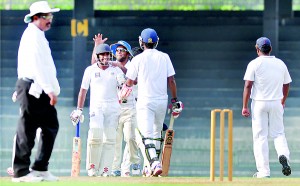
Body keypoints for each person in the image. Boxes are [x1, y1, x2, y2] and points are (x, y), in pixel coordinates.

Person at [119, 28, 183, 177]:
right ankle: (149, 168)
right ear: (157, 41)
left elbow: (129, 81)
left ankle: (154, 162)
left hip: (145, 101)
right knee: (156, 134)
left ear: (141, 42)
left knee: (143, 134)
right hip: (162, 100)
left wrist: (125, 90)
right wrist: (174, 99)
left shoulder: (138, 59)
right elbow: (171, 80)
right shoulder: (164, 57)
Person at [12, 1, 60, 182]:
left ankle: (40, 167)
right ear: (35, 18)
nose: (50, 20)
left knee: (50, 126)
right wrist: (50, 90)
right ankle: (21, 171)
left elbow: (44, 66)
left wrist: (51, 88)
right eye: (46, 17)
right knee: (27, 130)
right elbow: (36, 65)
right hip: (33, 87)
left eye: (50, 16)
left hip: (37, 89)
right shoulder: (32, 36)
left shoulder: (38, 35)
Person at [70, 43, 123, 177]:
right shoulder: (90, 70)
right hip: (96, 106)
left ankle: (106, 169)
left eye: (107, 54)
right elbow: (83, 90)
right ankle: (92, 167)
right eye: (102, 55)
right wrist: (79, 109)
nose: (105, 57)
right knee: (95, 136)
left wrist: (124, 88)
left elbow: (123, 84)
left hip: (113, 108)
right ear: (97, 56)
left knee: (110, 139)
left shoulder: (115, 70)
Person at [242, 37, 292, 178]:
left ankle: (264, 172)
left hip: (259, 103)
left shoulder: (254, 64)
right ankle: (283, 155)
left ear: (258, 49)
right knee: (278, 133)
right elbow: (287, 84)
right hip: (276, 102)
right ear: (270, 49)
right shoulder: (280, 64)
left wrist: (244, 106)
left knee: (260, 137)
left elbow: (248, 85)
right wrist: (283, 100)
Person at [109, 41, 141, 177]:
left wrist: (120, 67)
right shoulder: (112, 67)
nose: (119, 52)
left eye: (122, 50)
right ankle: (115, 168)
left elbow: (135, 80)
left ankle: (131, 163)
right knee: (116, 141)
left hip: (130, 107)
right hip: (116, 109)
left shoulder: (132, 66)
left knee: (130, 138)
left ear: (127, 53)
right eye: (117, 50)